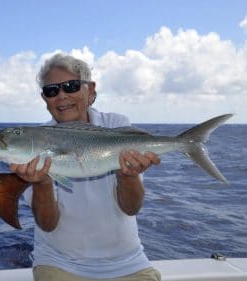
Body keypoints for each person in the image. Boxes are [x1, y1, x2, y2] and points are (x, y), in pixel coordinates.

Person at [10, 54, 162, 281]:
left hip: (128, 263)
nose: (62, 96)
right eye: (52, 91)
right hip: (59, 264)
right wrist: (42, 182)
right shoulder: (33, 145)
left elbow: (131, 208)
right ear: (45, 99)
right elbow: (47, 224)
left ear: (90, 90)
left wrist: (128, 176)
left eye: (70, 86)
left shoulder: (115, 126)